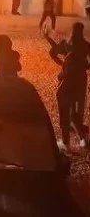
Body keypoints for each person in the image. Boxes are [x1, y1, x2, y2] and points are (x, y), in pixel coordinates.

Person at [45, 22, 90, 151]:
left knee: (64, 111)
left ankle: (66, 142)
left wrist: (62, 65)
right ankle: (82, 138)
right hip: (80, 81)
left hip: (67, 81)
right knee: (75, 113)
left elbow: (53, 52)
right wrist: (82, 67)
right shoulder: (86, 46)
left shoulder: (68, 44)